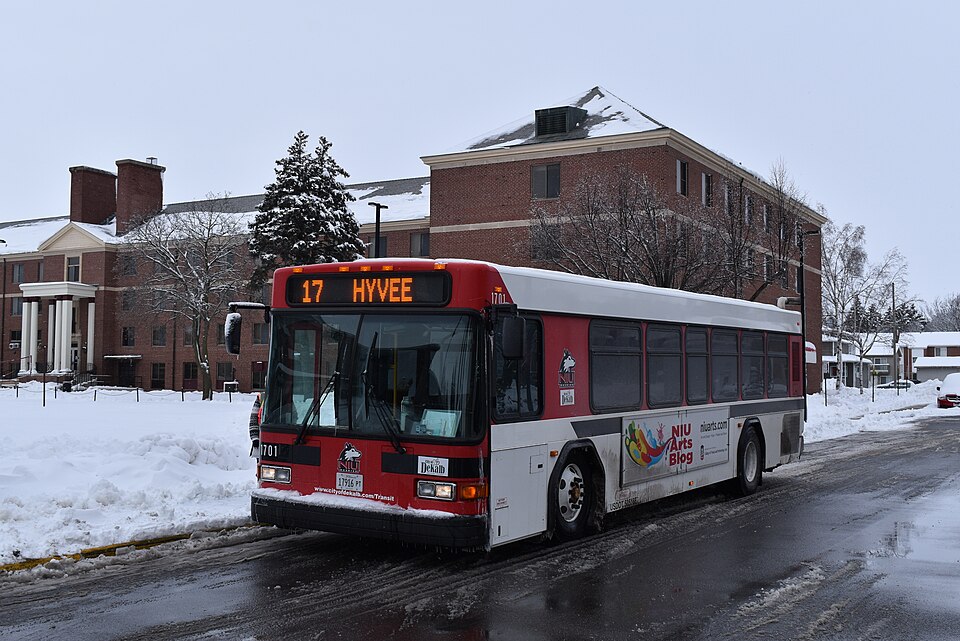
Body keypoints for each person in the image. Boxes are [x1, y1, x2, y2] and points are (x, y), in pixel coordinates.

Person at [249, 392, 262, 457]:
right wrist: (255, 438)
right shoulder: (261, 398)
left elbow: (294, 416)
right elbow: (253, 420)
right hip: (263, 440)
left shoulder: (285, 397)